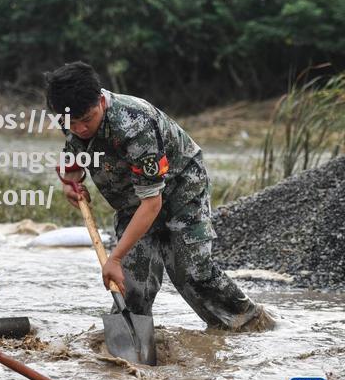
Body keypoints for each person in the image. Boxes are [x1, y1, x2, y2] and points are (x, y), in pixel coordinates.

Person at [47, 61, 274, 332]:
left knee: (191, 273)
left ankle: (252, 327)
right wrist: (70, 179)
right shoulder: (70, 115)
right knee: (131, 283)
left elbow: (152, 203)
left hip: (180, 189)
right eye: (72, 122)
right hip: (131, 195)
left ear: (101, 101)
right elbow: (74, 147)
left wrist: (114, 257)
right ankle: (128, 346)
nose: (81, 128)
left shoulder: (134, 124)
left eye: (87, 119)